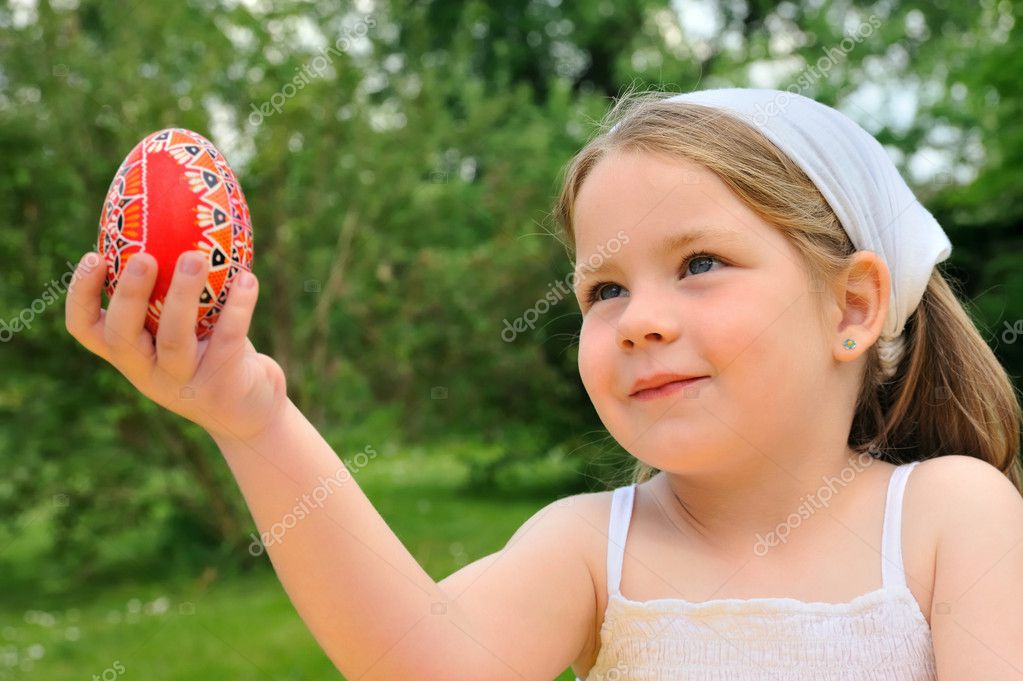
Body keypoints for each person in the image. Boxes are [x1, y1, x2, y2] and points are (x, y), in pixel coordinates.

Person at [65, 86, 1023, 681]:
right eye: (604, 287)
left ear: (853, 307)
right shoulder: (592, 547)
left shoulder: (945, 517)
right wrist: (252, 418)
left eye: (698, 264)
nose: (639, 316)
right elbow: (418, 664)